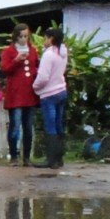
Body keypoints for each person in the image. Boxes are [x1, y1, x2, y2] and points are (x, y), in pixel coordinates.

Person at [0, 24, 41, 165]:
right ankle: (14, 156)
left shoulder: (33, 50)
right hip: (15, 94)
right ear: (16, 37)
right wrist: (16, 60)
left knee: (28, 128)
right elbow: (4, 69)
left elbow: (36, 67)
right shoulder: (8, 51)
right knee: (15, 127)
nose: (24, 39)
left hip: (30, 93)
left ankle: (27, 157)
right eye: (21, 36)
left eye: (26, 36)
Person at [33, 27, 70, 170]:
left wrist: (35, 87)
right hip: (61, 90)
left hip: (49, 94)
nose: (44, 40)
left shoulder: (48, 55)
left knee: (50, 125)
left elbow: (43, 77)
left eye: (45, 38)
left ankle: (51, 159)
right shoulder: (62, 52)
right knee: (59, 124)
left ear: (51, 39)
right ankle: (59, 158)